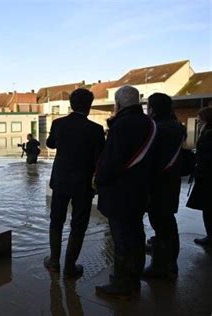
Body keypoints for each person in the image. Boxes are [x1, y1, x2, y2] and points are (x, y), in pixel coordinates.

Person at [95, 86, 157, 297]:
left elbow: (111, 161)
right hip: (141, 190)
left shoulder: (122, 125)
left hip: (121, 192)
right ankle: (133, 278)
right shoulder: (149, 123)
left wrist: (98, 180)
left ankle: (123, 285)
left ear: (118, 104)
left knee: (121, 239)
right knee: (136, 234)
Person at [43, 88, 105, 278]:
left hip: (61, 181)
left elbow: (50, 144)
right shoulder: (96, 130)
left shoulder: (58, 124)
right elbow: (100, 158)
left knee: (56, 221)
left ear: (70, 104)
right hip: (84, 185)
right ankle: (70, 267)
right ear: (89, 107)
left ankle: (54, 262)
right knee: (78, 225)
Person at [143, 93, 186, 279]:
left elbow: (150, 157)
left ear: (153, 108)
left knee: (161, 224)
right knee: (168, 223)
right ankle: (170, 262)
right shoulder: (176, 125)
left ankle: (161, 266)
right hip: (171, 181)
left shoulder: (156, 128)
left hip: (158, 183)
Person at [186, 106, 212, 246]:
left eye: (200, 119)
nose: (198, 122)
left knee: (208, 208)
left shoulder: (208, 134)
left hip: (207, 177)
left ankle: (210, 237)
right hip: (206, 175)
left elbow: (206, 155)